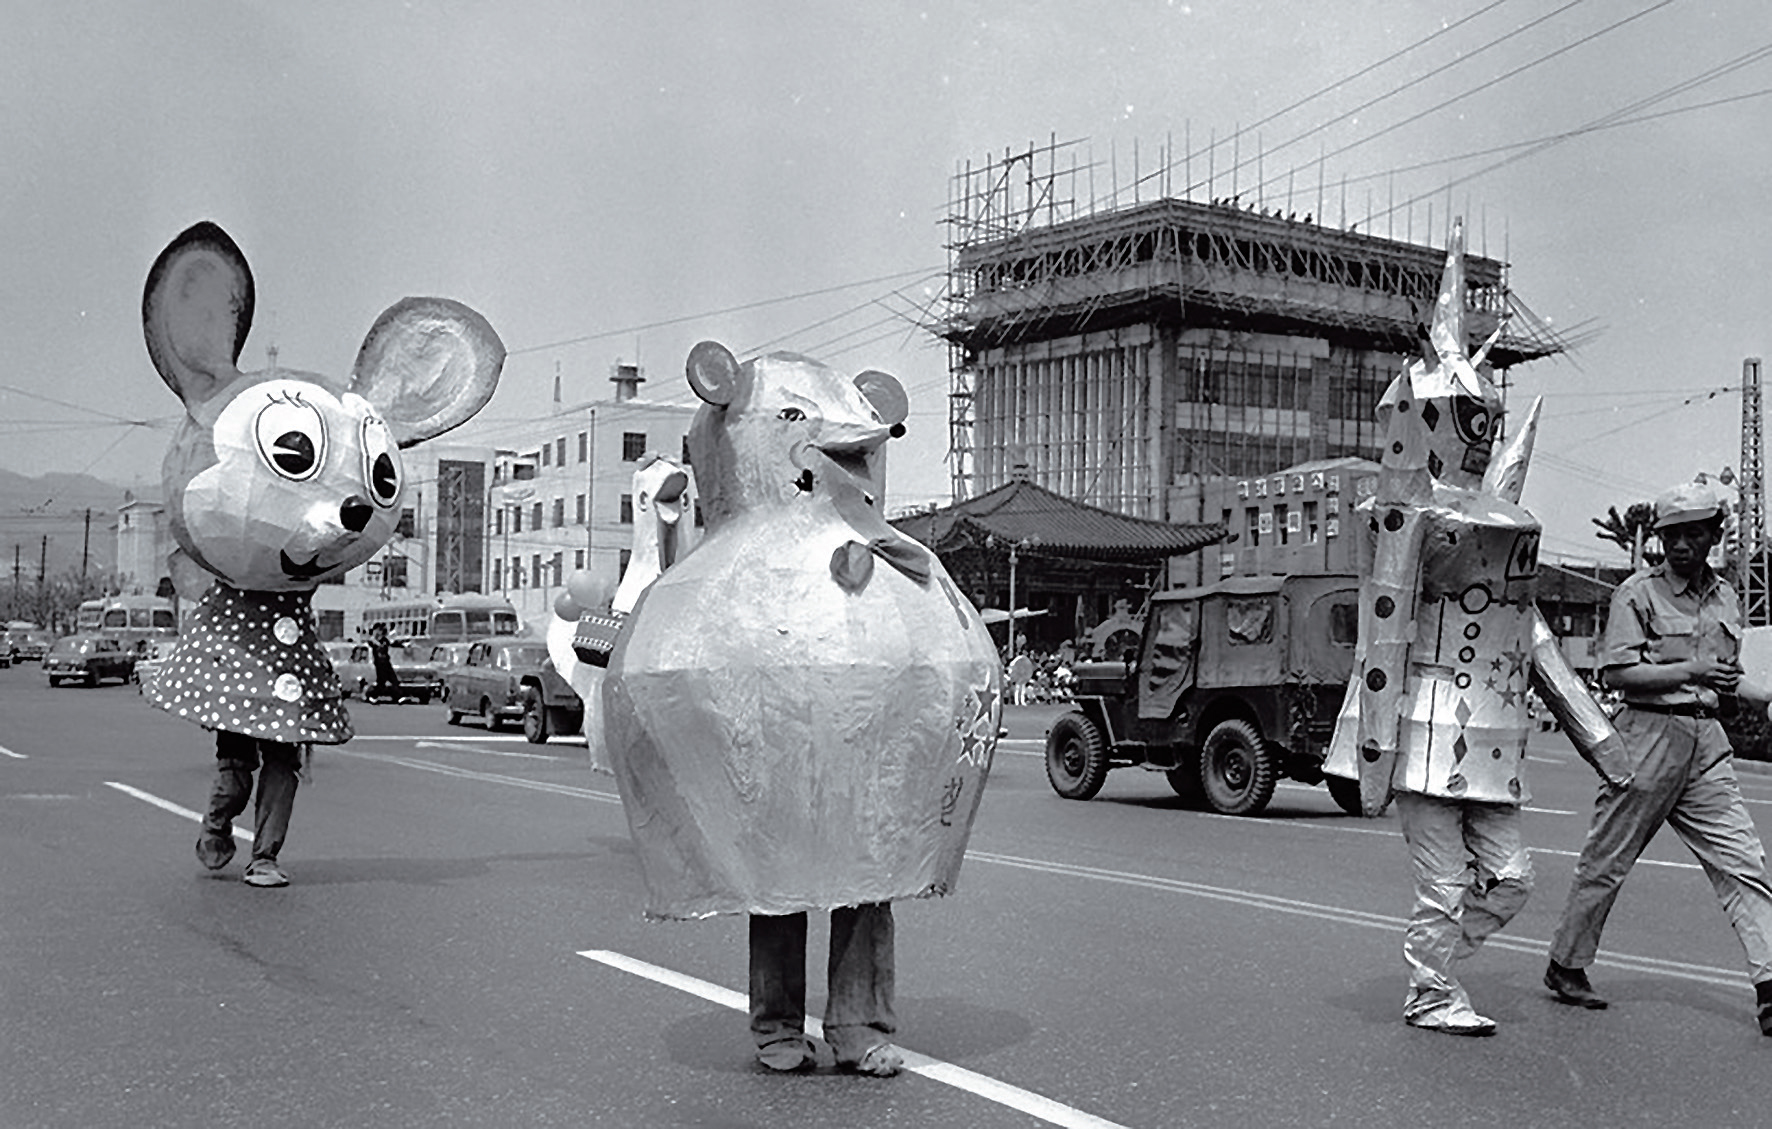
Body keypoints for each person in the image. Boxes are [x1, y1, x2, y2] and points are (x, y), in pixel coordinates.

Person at [1545, 480, 1772, 1035]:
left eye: (1693, 534)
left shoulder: (1725, 597)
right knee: (1607, 862)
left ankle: (1771, 989)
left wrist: (1757, 689)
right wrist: (1690, 671)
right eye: (1671, 535)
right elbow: (1617, 673)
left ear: (1713, 537)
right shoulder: (1636, 594)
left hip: (1706, 744)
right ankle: (1566, 964)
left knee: (1743, 865)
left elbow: (1734, 674)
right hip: (1646, 737)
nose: (1680, 546)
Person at [368, 623, 399, 702]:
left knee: (394, 680)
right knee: (381, 682)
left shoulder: (384, 640)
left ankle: (397, 696)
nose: (380, 632)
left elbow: (391, 644)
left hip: (387, 663)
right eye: (378, 630)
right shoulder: (372, 641)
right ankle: (373, 695)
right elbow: (374, 644)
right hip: (379, 664)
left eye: (381, 630)